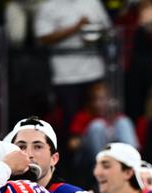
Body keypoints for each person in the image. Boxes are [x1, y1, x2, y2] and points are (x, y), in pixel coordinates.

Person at [35, 0, 112, 129]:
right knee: (70, 121)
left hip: (94, 71)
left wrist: (93, 35)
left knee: (98, 120)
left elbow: (108, 31)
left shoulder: (93, 3)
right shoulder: (49, 6)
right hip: (65, 76)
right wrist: (75, 28)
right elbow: (43, 38)